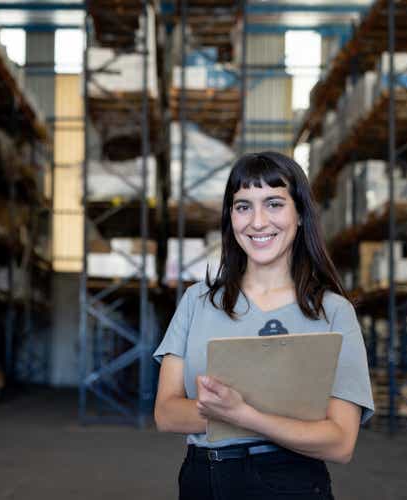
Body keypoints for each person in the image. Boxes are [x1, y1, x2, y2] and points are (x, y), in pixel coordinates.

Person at [153, 152, 374, 500]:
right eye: (243, 207)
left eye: (273, 203)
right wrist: (273, 417)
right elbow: (166, 413)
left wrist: (243, 414)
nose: (257, 222)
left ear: (299, 214)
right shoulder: (197, 302)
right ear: (230, 217)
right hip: (201, 480)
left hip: (288, 482)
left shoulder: (333, 313)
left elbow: (340, 442)